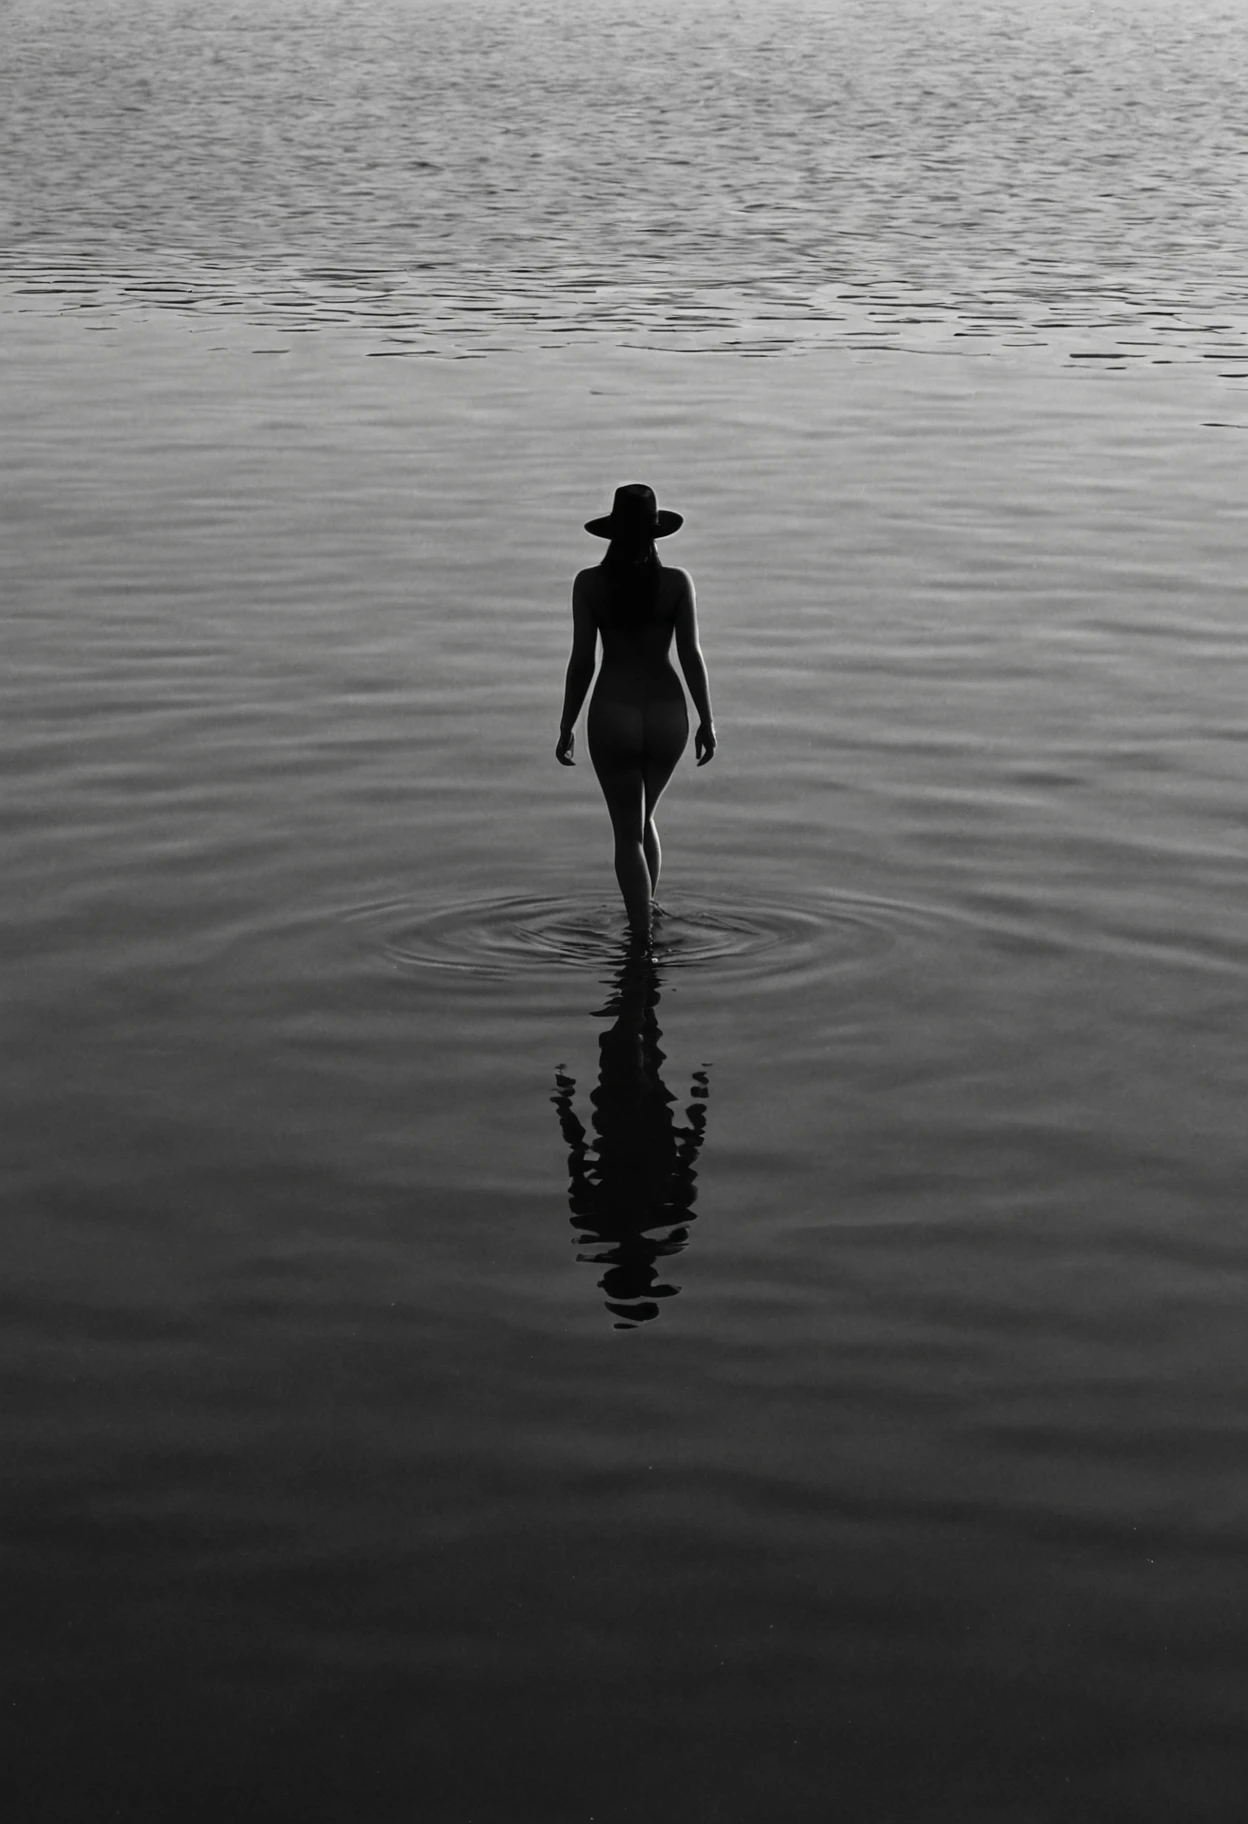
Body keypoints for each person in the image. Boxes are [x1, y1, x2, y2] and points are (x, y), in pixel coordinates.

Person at [556, 483, 716, 942]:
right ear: (655, 533)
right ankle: (648, 918)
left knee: (627, 834)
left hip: (614, 715)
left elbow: (582, 661)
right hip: (667, 715)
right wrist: (706, 719)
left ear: (612, 533)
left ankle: (641, 942)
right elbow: (690, 655)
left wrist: (567, 723)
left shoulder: (589, 584)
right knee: (644, 822)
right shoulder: (677, 583)